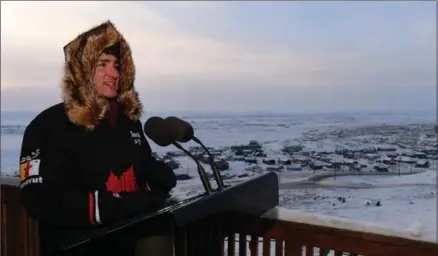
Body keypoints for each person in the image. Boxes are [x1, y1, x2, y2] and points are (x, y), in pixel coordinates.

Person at [19, 20, 177, 256]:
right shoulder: (48, 126)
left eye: (116, 64)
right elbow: (37, 198)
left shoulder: (129, 124)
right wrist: (101, 208)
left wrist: (157, 175)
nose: (113, 73)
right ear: (81, 70)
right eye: (102, 64)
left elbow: (141, 169)